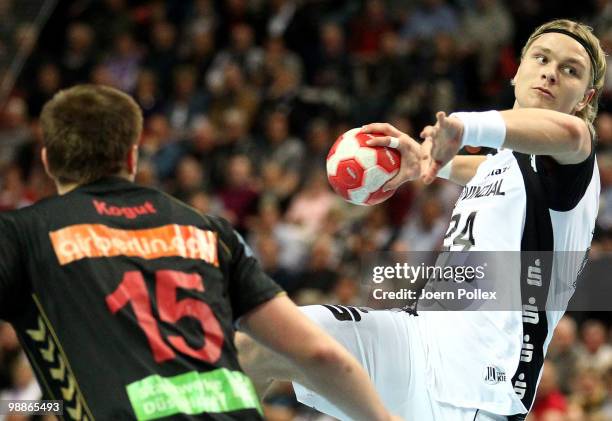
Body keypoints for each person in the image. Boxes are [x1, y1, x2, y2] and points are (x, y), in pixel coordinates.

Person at [239, 19, 606, 421]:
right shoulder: (504, 164)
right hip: (415, 341)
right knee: (258, 344)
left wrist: (465, 125)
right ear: (518, 70)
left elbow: (570, 135)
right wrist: (422, 164)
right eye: (541, 58)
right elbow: (487, 168)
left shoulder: (574, 168)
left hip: (478, 391)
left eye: (570, 70)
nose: (551, 71)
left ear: (585, 98)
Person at [0, 84, 402, 421]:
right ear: (132, 157)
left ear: (48, 160)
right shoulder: (206, 228)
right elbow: (317, 351)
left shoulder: (23, 234)